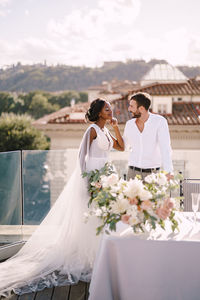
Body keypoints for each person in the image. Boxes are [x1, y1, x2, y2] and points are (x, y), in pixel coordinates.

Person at [0, 99, 124, 297]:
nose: (111, 111)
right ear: (99, 112)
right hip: (92, 178)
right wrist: (87, 182)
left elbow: (121, 147)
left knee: (99, 217)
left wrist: (116, 128)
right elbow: (81, 157)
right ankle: (86, 258)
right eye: (107, 109)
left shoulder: (106, 131)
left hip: (105, 176)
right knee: (89, 216)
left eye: (110, 108)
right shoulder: (91, 130)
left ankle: (96, 257)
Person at [123, 92, 173, 180]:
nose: (129, 109)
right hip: (132, 173)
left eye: (131, 106)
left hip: (152, 175)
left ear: (141, 109)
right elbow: (124, 145)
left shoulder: (160, 122)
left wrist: (168, 170)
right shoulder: (129, 124)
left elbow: (165, 147)